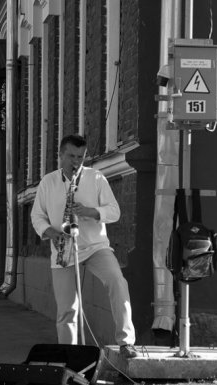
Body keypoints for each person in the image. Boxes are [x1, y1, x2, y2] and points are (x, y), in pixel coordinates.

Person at [31, 134, 138, 359]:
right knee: (67, 309)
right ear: (60, 155)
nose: (76, 162)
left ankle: (126, 342)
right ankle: (69, 357)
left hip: (96, 246)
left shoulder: (96, 178)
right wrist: (52, 234)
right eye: (71, 156)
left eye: (80, 157)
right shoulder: (48, 182)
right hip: (64, 248)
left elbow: (115, 211)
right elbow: (37, 217)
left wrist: (90, 211)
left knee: (118, 282)